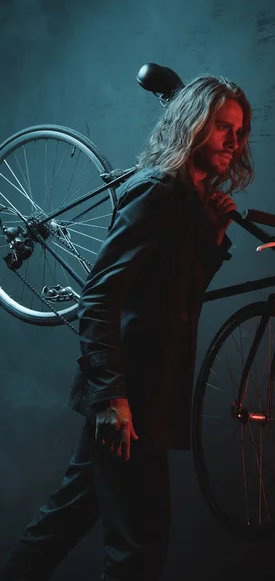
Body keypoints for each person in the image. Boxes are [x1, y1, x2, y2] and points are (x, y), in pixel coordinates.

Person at [0, 74, 254, 581]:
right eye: (222, 127)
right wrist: (112, 398)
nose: (234, 140)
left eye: (240, 131)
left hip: (148, 395)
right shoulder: (157, 192)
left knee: (64, 522)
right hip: (130, 397)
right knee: (138, 549)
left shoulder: (186, 200)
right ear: (193, 126)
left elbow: (174, 299)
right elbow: (100, 298)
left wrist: (212, 237)